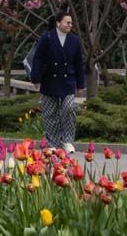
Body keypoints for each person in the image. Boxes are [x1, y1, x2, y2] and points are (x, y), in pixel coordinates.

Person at [28, 12, 85, 152]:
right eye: (67, 22)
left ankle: (67, 140)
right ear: (58, 23)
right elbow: (38, 59)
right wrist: (36, 79)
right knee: (50, 113)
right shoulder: (46, 38)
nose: (70, 25)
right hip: (49, 80)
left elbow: (79, 62)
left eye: (71, 23)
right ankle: (52, 143)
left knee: (69, 108)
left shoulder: (74, 40)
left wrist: (80, 84)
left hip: (68, 81)